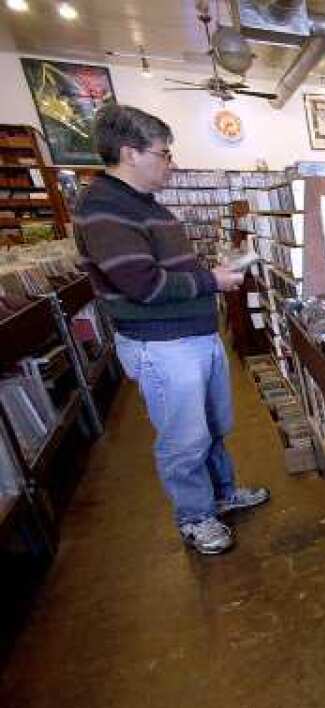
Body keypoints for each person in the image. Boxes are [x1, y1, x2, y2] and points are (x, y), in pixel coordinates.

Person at [73, 104, 269, 556]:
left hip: (192, 336)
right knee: (185, 438)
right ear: (130, 153)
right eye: (164, 153)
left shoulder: (141, 204)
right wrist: (212, 280)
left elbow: (165, 270)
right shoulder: (104, 208)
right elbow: (141, 284)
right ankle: (195, 516)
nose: (171, 162)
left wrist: (209, 273)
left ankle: (221, 494)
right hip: (162, 343)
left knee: (214, 426)